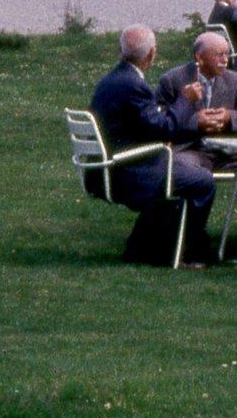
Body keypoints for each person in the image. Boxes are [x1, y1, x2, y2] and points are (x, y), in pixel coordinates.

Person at [89, 25, 217, 265]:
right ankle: (184, 250)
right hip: (129, 170)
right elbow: (164, 129)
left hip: (113, 163)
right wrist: (185, 100)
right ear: (151, 54)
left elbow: (145, 124)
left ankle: (143, 248)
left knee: (187, 176)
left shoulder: (114, 79)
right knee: (203, 182)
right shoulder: (133, 84)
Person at [156, 30, 237, 244]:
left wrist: (229, 117)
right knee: (192, 174)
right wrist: (195, 122)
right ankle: (192, 237)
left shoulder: (236, 81)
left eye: (227, 54)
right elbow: (160, 121)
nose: (225, 60)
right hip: (190, 149)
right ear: (199, 58)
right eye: (219, 55)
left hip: (226, 150)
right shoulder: (173, 80)